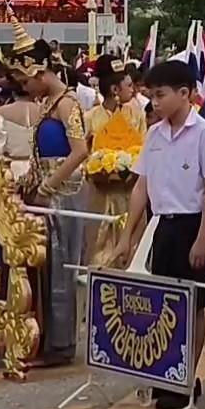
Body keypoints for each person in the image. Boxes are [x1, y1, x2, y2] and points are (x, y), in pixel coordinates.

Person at [124, 58, 205, 405]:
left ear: (185, 94)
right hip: (161, 226)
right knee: (162, 305)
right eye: (151, 96)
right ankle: (165, 371)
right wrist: (128, 234)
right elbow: (141, 186)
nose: (154, 103)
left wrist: (203, 237)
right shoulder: (153, 133)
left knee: (192, 305)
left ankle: (186, 377)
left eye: (161, 95)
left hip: (192, 225)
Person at [5, 25, 90, 369]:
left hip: (64, 193)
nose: (25, 88)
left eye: (26, 81)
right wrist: (25, 182)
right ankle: (48, 340)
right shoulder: (48, 104)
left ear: (38, 71)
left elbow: (81, 151)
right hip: (46, 190)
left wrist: (47, 186)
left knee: (61, 265)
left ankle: (61, 344)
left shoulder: (67, 104)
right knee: (47, 266)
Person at [85, 66, 146, 269]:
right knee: (98, 246)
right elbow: (84, 152)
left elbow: (143, 149)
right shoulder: (91, 117)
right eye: (128, 86)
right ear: (114, 89)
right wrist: (97, 168)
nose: (133, 90)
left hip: (130, 191)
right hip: (100, 193)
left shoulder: (136, 115)